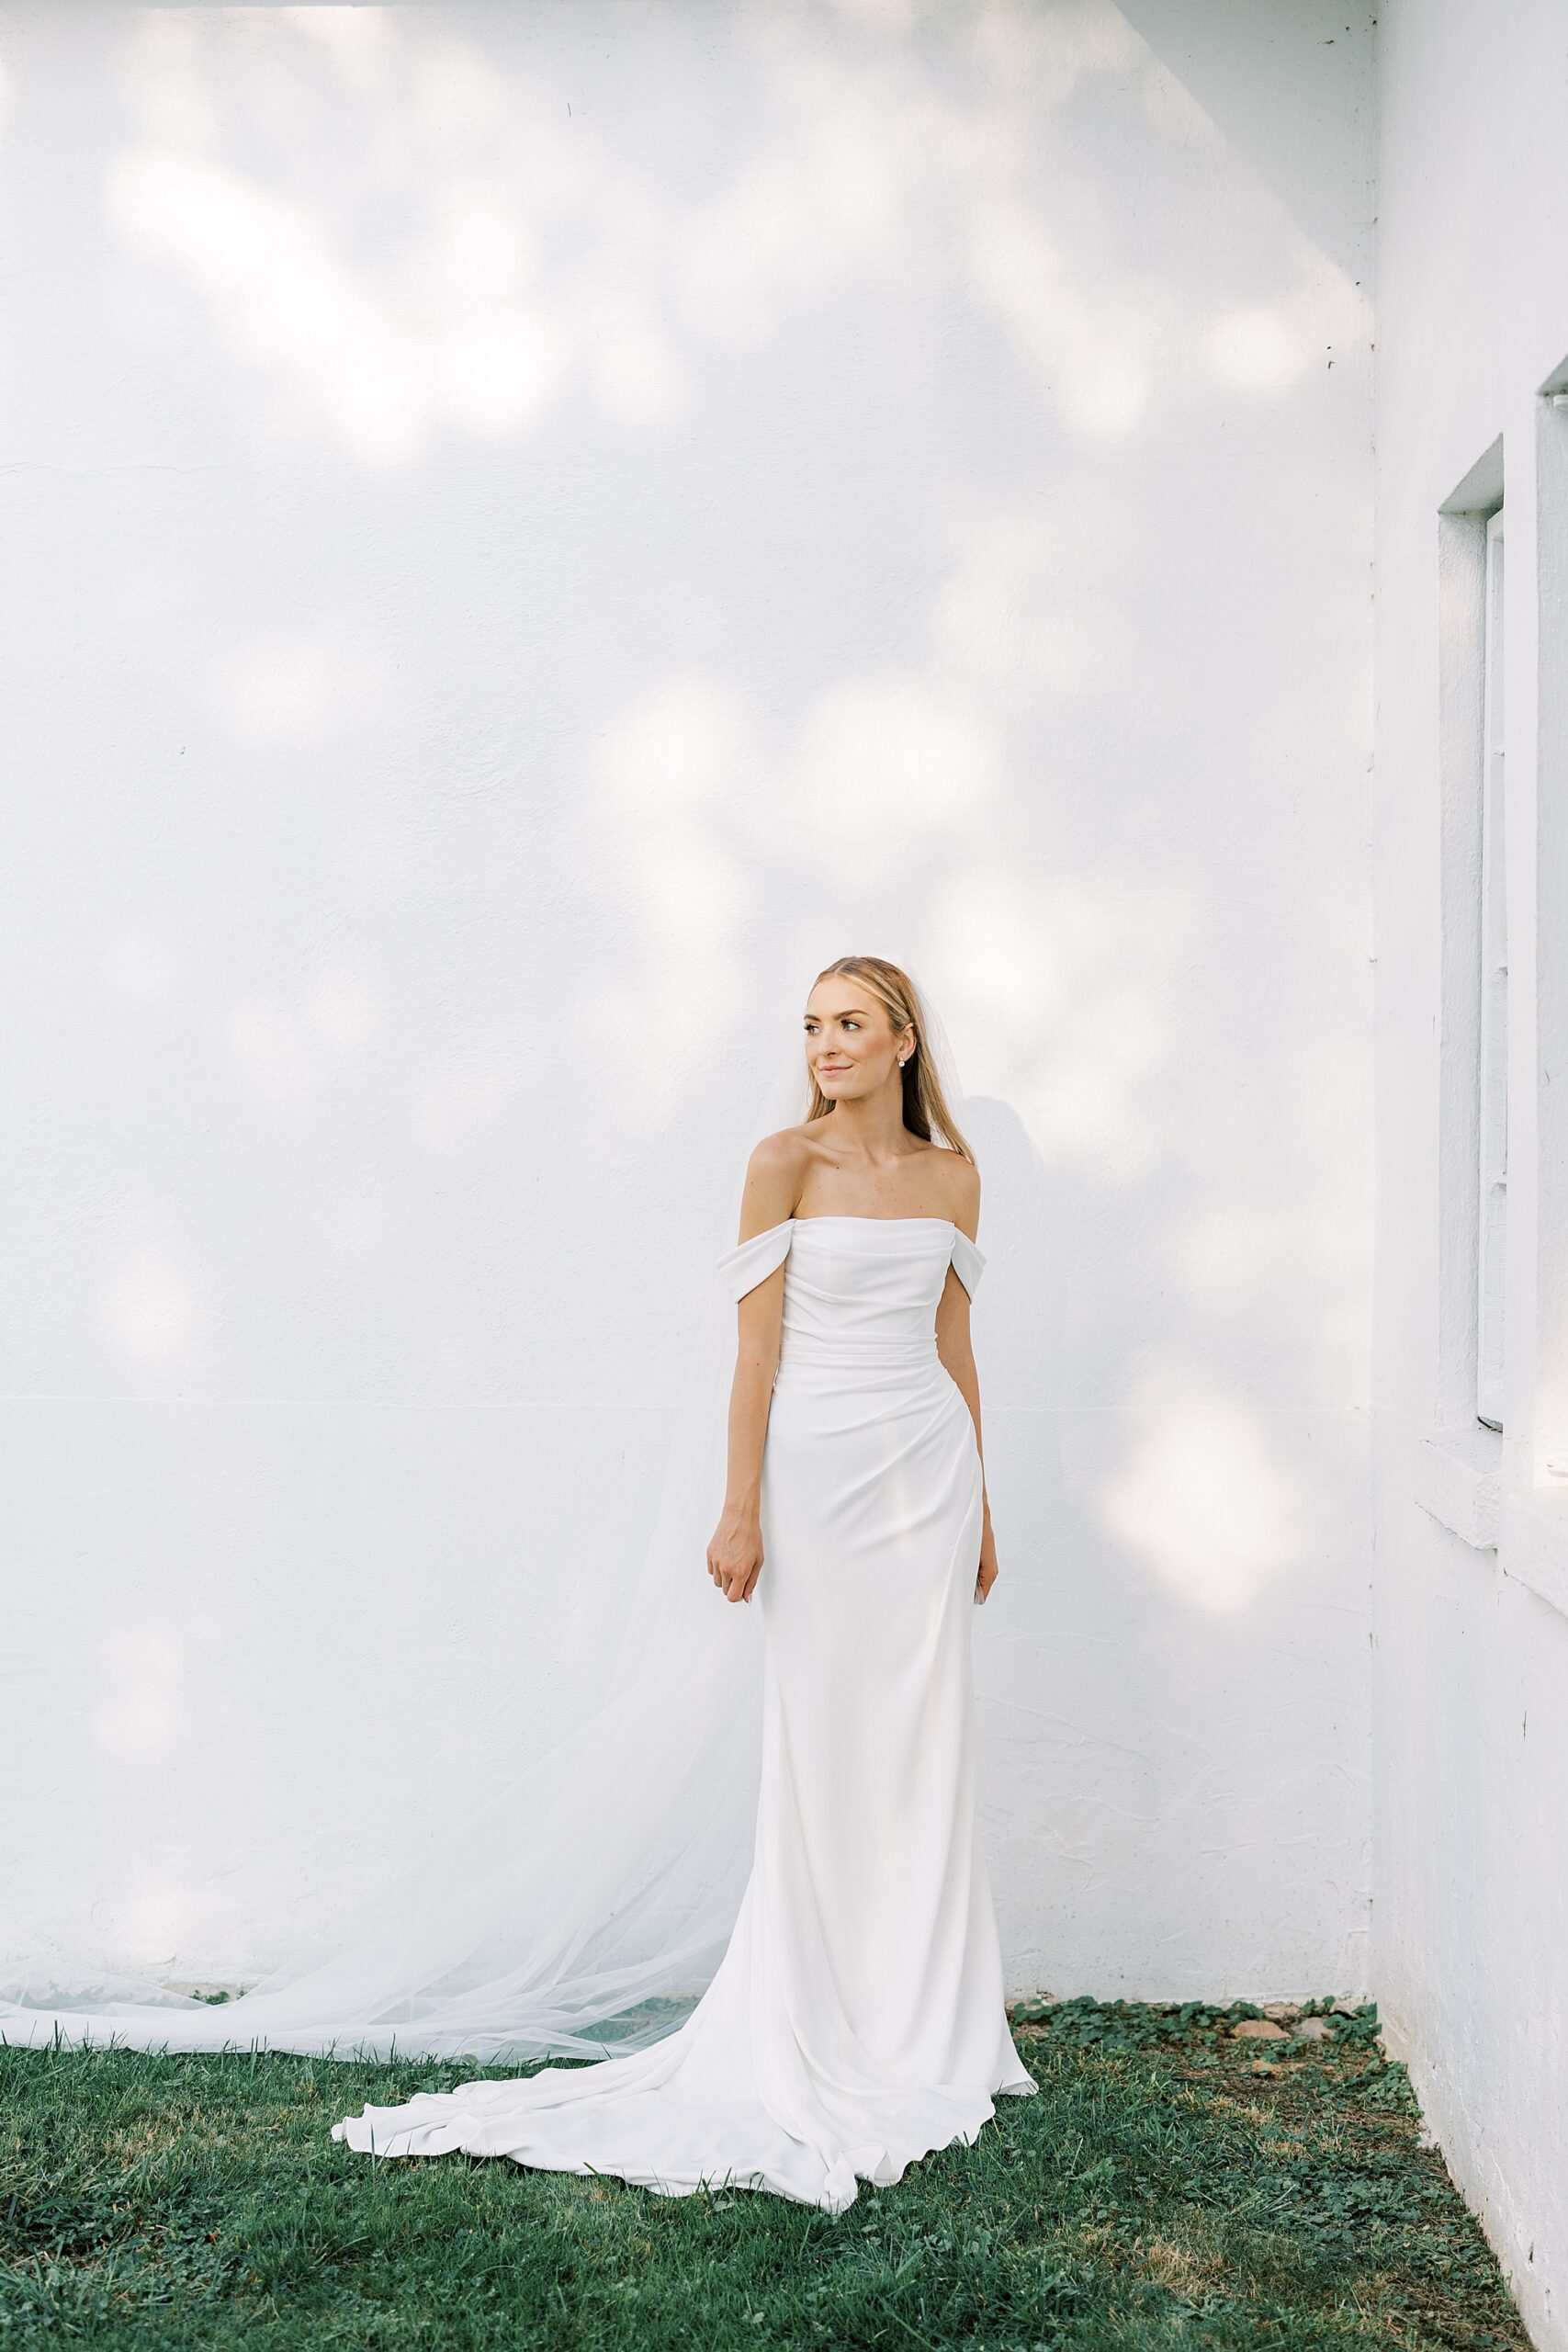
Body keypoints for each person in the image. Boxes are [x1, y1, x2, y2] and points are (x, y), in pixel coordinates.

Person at [331, 955, 1037, 2209]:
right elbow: (754, 1350)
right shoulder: (783, 1162)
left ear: (905, 1041)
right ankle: (820, 2017)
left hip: (923, 1475)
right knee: (821, 1738)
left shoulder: (957, 1177)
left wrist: (980, 1494)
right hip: (817, 1481)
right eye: (813, 1025)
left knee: (923, 1738)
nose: (825, 1045)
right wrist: (738, 1505)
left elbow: (954, 1343)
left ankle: (925, 2026)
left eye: (851, 1025)